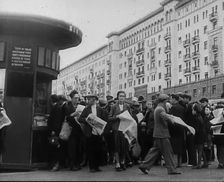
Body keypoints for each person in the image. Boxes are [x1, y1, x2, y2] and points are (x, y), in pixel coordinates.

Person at [138, 94, 181, 175]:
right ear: (164, 101)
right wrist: (172, 120)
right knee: (168, 152)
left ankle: (144, 165)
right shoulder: (161, 109)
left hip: (158, 134)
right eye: (167, 101)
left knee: (154, 151)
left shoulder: (158, 108)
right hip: (162, 134)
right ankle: (172, 169)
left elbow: (164, 116)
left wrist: (169, 116)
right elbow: (165, 116)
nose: (167, 102)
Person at [78, 94, 108, 172]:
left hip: (98, 133)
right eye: (89, 99)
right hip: (89, 133)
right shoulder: (86, 109)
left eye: (92, 99)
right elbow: (80, 119)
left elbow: (104, 120)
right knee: (90, 150)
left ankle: (97, 166)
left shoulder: (100, 109)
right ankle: (92, 167)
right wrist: (88, 119)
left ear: (95, 100)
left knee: (98, 150)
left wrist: (102, 130)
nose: (90, 100)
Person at [109, 91, 130, 171]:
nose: (122, 98)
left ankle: (123, 162)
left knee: (124, 146)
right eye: (120, 96)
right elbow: (109, 118)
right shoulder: (114, 106)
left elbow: (130, 117)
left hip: (124, 129)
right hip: (117, 129)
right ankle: (117, 163)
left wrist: (126, 118)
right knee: (117, 146)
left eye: (123, 96)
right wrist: (117, 116)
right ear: (117, 97)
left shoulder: (127, 106)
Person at [47, 95, 67, 171]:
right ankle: (57, 164)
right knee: (56, 147)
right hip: (56, 130)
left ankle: (56, 165)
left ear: (52, 100)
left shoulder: (56, 108)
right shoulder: (58, 107)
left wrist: (53, 130)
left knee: (55, 148)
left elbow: (56, 121)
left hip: (55, 131)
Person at [65, 90, 83, 171]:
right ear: (71, 98)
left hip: (79, 130)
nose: (77, 100)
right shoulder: (67, 107)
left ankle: (77, 163)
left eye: (78, 98)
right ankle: (72, 165)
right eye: (75, 98)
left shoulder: (79, 107)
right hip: (71, 130)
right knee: (72, 148)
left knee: (78, 148)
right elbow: (66, 118)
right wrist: (73, 114)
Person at [169, 94, 186, 167]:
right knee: (180, 147)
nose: (170, 100)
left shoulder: (173, 108)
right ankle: (179, 163)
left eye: (171, 99)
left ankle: (174, 164)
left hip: (174, 130)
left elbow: (171, 119)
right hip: (181, 129)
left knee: (174, 147)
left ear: (174, 99)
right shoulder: (182, 108)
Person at [192, 103, 208, 169]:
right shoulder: (200, 116)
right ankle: (205, 163)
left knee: (199, 150)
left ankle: (198, 164)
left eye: (192, 109)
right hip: (202, 135)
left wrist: (192, 132)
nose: (192, 111)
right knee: (201, 150)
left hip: (199, 135)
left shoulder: (196, 118)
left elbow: (197, 129)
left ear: (195, 110)